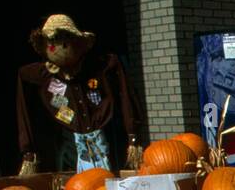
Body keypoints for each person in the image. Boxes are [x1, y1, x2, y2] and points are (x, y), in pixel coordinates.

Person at [16, 14, 143, 175]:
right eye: (53, 42)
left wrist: (133, 134)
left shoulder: (101, 67)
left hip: (104, 140)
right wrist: (28, 149)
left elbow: (124, 89)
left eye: (65, 40)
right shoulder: (43, 75)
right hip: (69, 147)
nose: (60, 47)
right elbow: (23, 78)